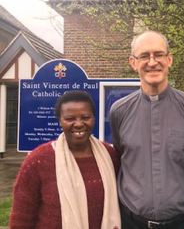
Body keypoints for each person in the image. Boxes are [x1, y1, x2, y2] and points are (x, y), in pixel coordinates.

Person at [109, 30, 184, 228]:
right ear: (133, 63)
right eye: (144, 56)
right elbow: (121, 160)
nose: (152, 62)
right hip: (132, 223)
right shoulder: (119, 112)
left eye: (158, 55)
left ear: (169, 60)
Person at [10, 91, 121, 229]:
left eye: (85, 117)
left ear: (94, 119)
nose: (79, 124)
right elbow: (21, 219)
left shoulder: (110, 156)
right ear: (60, 121)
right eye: (70, 119)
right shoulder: (38, 161)